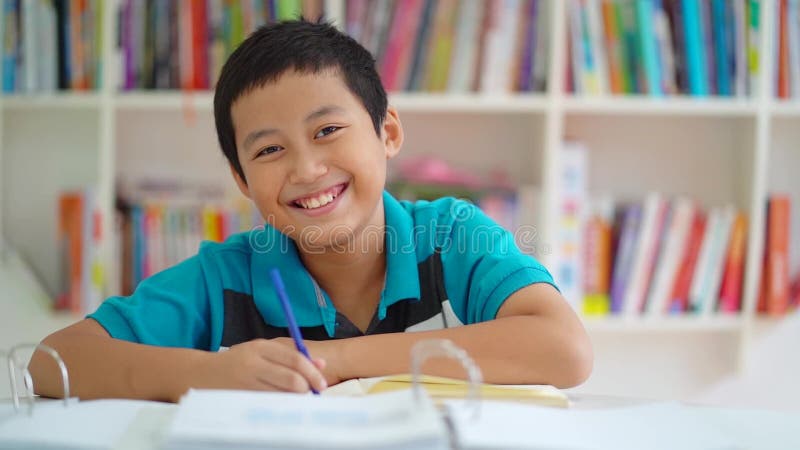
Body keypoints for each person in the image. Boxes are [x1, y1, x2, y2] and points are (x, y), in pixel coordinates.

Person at [31, 20, 592, 402]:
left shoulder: (453, 239)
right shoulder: (225, 278)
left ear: (387, 132)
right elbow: (53, 361)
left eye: (327, 131)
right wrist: (210, 373)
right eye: (270, 150)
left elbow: (564, 350)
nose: (305, 170)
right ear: (240, 178)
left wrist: (340, 359)